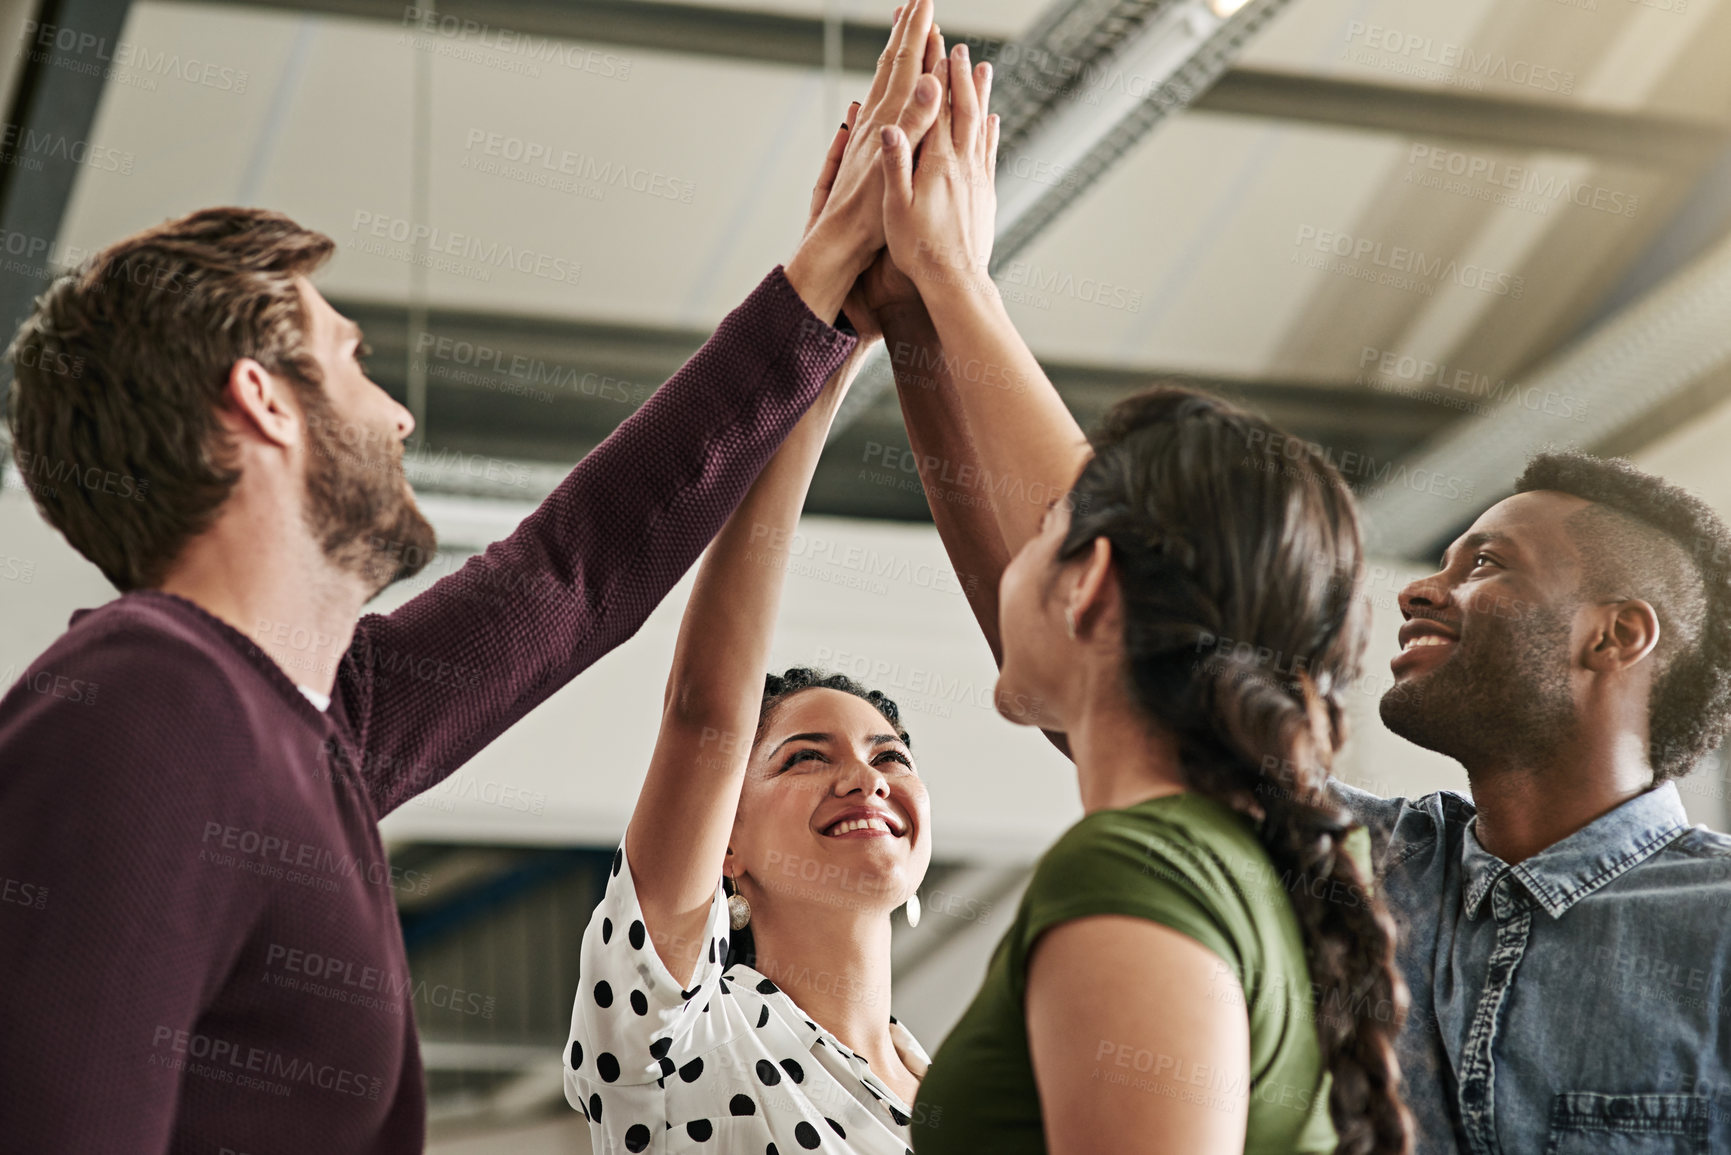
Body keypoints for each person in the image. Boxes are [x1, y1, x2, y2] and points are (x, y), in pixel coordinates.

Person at [0, 0, 931, 1137]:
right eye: (352, 363)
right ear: (261, 400)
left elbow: (576, 570)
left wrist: (823, 285)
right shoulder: (148, 702)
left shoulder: (319, 723)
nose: (395, 417)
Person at [863, 45, 1413, 1155]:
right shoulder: (1262, 851)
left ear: (1094, 586)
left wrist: (951, 285)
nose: (1017, 552)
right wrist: (930, 301)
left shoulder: (1140, 869)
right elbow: (1061, 528)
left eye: (1049, 540)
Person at [564, 9, 959, 1151]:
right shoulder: (677, 1034)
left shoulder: (963, 1091)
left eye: (890, 755)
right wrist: (825, 337)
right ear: (723, 852)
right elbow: (703, 715)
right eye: (805, 756)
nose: (867, 776)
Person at [1328, 451, 1731, 1154]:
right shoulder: (1361, 858)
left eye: (1482, 564)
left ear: (1613, 635)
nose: (1416, 590)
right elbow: (1122, 695)